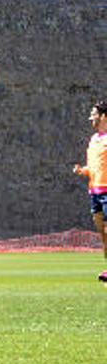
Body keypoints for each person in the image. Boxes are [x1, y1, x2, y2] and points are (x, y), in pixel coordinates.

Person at [72, 101, 107, 277]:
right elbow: (94, 167)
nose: (90, 118)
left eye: (93, 114)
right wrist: (82, 171)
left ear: (103, 116)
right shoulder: (94, 139)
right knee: (103, 234)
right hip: (95, 191)